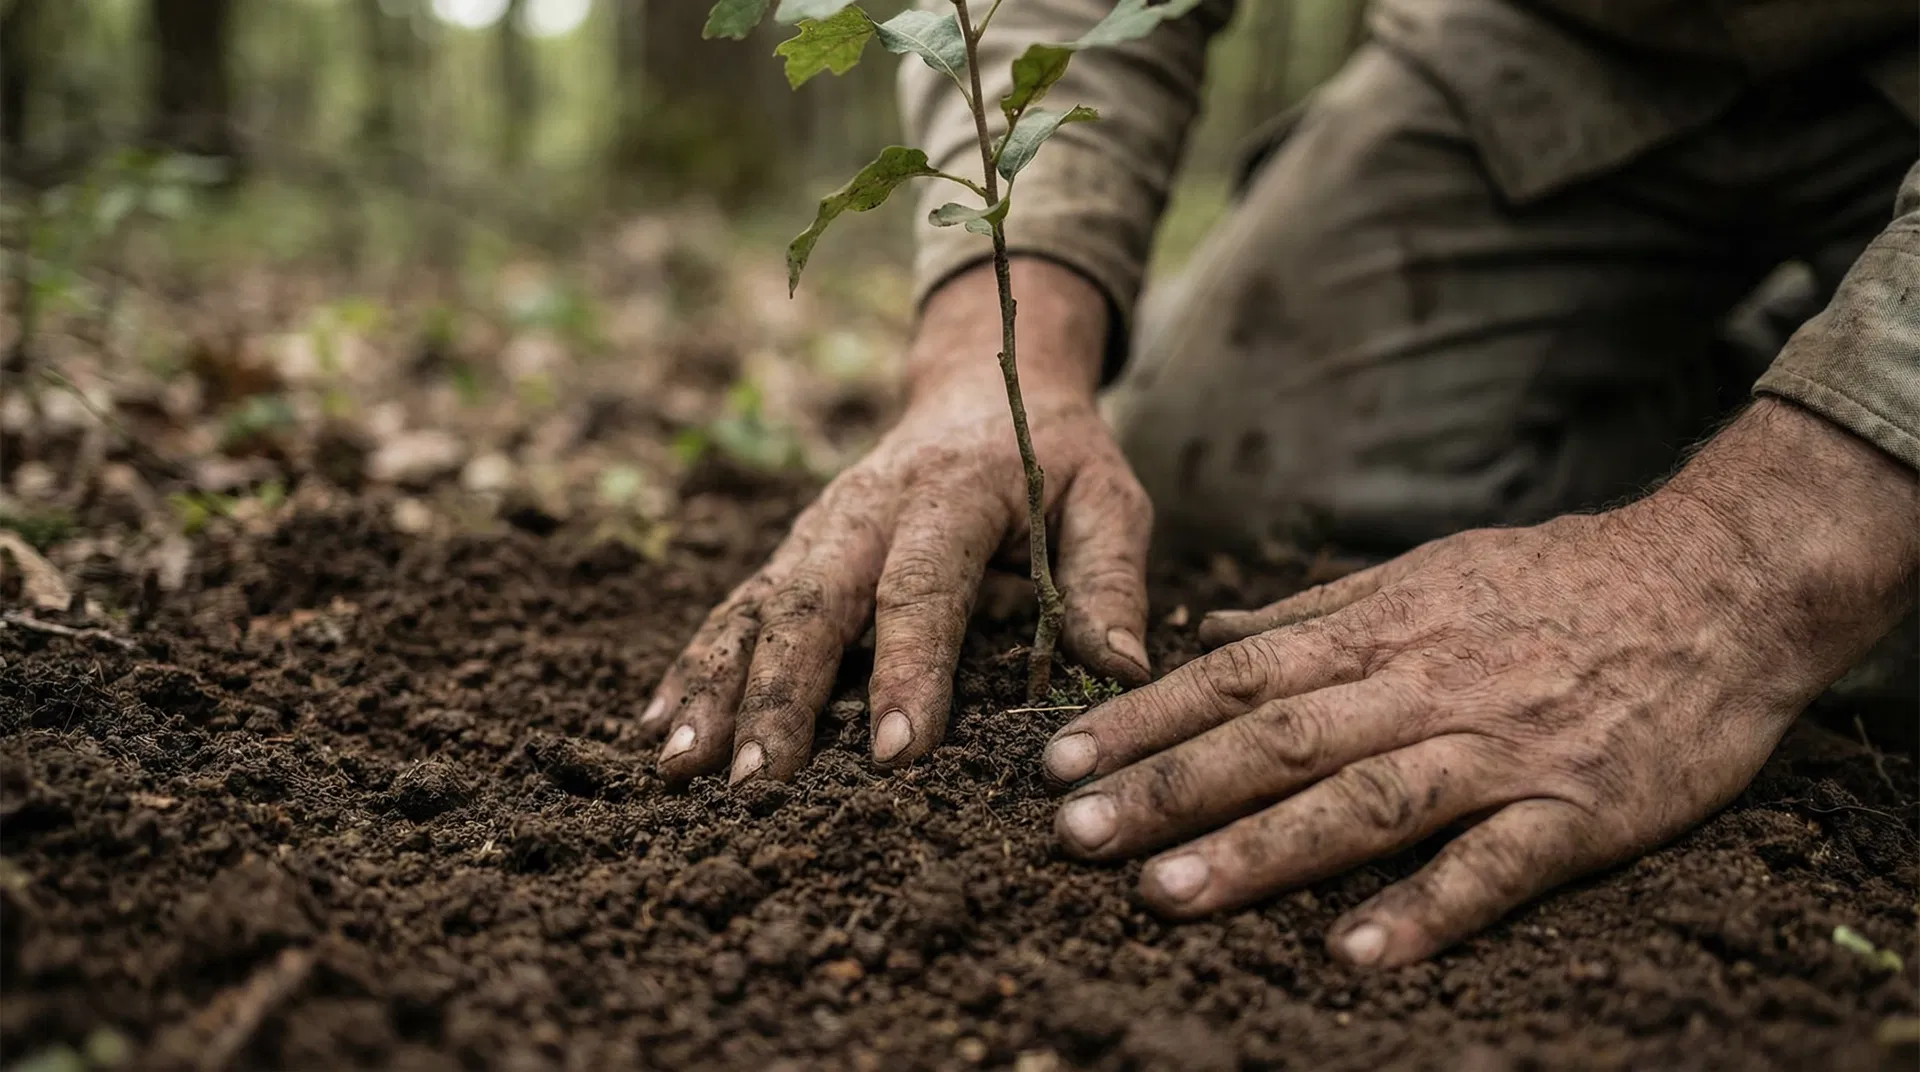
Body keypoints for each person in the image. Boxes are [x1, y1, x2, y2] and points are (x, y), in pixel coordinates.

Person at [642, 0, 1919, 968]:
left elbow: (1772, 572)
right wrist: (1000, 353)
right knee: (1214, 469)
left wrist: (1746, 568)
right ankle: (1760, 367)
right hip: (1577, 43)